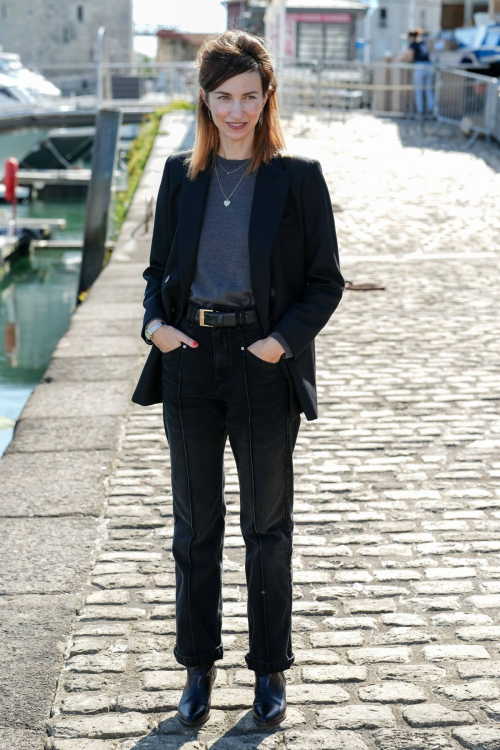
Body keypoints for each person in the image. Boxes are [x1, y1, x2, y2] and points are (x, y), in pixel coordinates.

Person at [131, 29, 344, 729]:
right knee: (195, 528)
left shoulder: (298, 176)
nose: (237, 111)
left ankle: (269, 672)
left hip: (261, 367)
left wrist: (280, 344)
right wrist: (155, 327)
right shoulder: (179, 175)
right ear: (205, 98)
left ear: (267, 95)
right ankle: (197, 668)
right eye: (224, 97)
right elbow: (157, 271)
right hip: (189, 360)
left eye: (250, 96)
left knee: (266, 528)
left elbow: (324, 283)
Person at [401, 29, 435, 115]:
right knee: (428, 90)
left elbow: (411, 57)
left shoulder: (413, 44)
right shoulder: (423, 43)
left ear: (411, 37)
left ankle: (420, 111)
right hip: (429, 66)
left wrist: (403, 59)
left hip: (420, 67)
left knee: (418, 90)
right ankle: (431, 109)